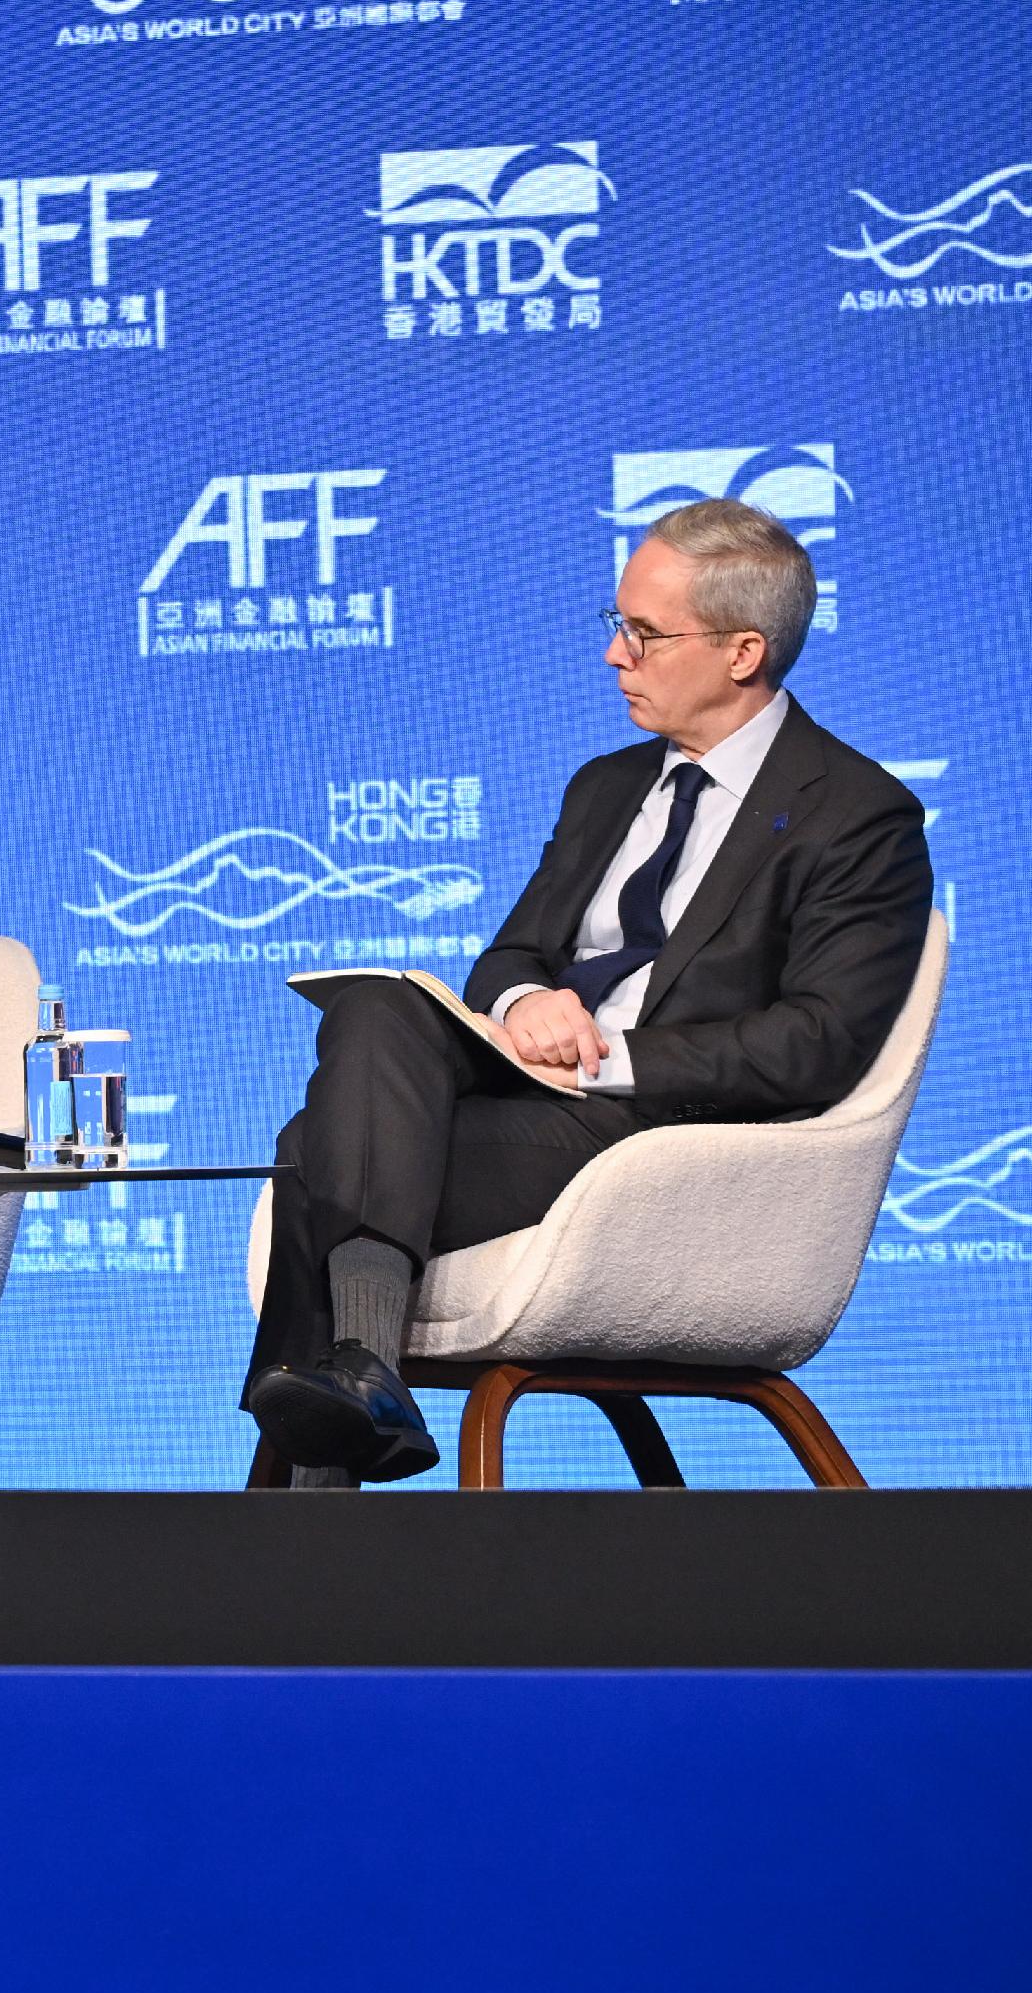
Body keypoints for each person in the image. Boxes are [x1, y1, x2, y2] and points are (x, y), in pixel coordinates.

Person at [244, 499, 932, 1483]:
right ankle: (362, 1378)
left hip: (649, 1135)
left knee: (314, 1149)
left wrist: (610, 1054)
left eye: (643, 634)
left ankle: (315, 1473)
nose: (615, 656)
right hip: (523, 1100)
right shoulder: (605, 787)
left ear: (742, 653)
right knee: (375, 1005)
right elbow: (511, 956)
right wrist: (526, 1004)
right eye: (615, 626)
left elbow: (817, 1044)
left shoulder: (858, 817)